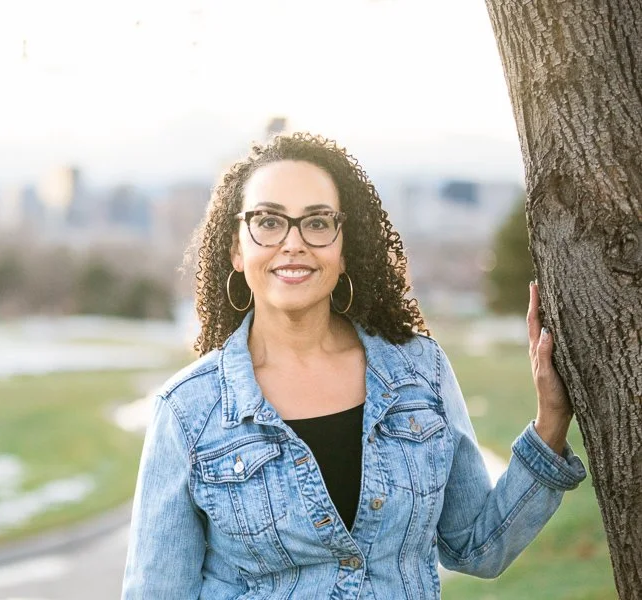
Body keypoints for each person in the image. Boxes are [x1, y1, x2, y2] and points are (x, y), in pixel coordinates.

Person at [121, 133, 586, 599]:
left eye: (318, 223)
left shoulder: (420, 372)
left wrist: (552, 421)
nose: (293, 243)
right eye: (268, 221)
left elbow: (477, 547)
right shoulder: (187, 411)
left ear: (345, 249)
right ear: (236, 250)